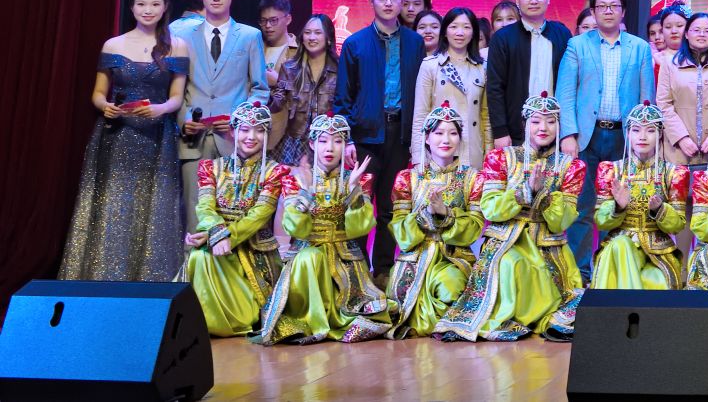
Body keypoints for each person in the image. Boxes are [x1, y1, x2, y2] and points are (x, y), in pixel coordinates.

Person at [61, 0, 190, 282]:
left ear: (165, 7)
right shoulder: (113, 44)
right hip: (117, 136)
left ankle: (149, 282)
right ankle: (105, 277)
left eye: (155, 4)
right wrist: (105, 106)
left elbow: (177, 97)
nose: (148, 10)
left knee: (154, 206)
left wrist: (160, 108)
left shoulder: (177, 46)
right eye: (141, 4)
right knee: (114, 204)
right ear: (132, 7)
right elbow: (97, 93)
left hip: (157, 136)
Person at [435, 91, 583, 342]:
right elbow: (491, 209)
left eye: (551, 121)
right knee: (510, 263)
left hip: (548, 243)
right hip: (506, 240)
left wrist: (543, 196)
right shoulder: (500, 158)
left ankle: (540, 317)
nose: (543, 127)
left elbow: (563, 220)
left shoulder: (570, 166)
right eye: (536, 121)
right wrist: (523, 192)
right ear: (525, 124)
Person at [254, 115, 392, 343]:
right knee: (310, 257)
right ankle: (312, 320)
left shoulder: (357, 178)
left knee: (372, 311)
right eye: (323, 140)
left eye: (337, 141)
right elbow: (296, 229)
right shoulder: (295, 180)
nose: (330, 148)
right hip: (306, 257)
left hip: (344, 260)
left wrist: (354, 190)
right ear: (312, 144)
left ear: (345, 145)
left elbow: (360, 228)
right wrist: (306, 193)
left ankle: (332, 316)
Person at [556, 0, 655, 277]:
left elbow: (646, 98)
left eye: (614, 6)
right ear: (593, 11)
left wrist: (643, 139)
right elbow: (565, 94)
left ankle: (615, 271)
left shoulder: (639, 47)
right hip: (586, 137)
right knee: (582, 207)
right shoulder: (577, 45)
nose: (608, 11)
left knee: (621, 204)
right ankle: (581, 274)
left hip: (625, 139)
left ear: (623, 11)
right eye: (602, 6)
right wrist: (568, 135)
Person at [336, 0, 427, 272]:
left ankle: (384, 271)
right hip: (365, 136)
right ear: (371, 1)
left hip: (400, 134)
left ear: (402, 1)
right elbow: (343, 97)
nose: (388, 3)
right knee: (360, 204)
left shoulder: (415, 42)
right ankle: (358, 271)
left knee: (391, 207)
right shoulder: (356, 43)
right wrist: (348, 138)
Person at [171, 0, 268, 230]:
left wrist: (241, 121)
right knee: (194, 215)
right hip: (193, 139)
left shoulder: (250, 36)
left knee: (233, 214)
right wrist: (183, 121)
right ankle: (192, 259)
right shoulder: (180, 35)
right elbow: (174, 86)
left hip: (233, 141)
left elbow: (260, 89)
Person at [181, 99, 287, 336]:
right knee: (199, 257)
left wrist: (227, 236)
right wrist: (214, 233)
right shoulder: (212, 167)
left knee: (206, 257)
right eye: (245, 129)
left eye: (259, 131)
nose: (251, 137)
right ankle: (205, 321)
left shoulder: (273, 171)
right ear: (233, 131)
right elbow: (205, 207)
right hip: (219, 242)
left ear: (267, 135)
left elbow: (258, 216)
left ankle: (237, 318)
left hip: (254, 248)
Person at [386, 101, 483, 338]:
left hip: (453, 257)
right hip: (415, 256)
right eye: (438, 133)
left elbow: (474, 228)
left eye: (452, 133)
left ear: (460, 138)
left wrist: (446, 214)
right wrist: (425, 216)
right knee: (395, 304)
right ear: (427, 138)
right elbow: (400, 231)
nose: (445, 140)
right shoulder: (408, 178)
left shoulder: (472, 178)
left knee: (451, 287)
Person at [590, 101, 691, 291]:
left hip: (658, 251)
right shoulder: (612, 170)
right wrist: (618, 207)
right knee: (620, 245)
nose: (642, 137)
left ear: (660, 134)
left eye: (650, 131)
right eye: (636, 130)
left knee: (657, 282)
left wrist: (660, 210)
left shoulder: (674, 173)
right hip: (620, 245)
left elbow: (677, 225)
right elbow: (601, 222)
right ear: (628, 133)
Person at [484, 0, 572, 151]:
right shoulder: (503, 38)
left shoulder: (562, 34)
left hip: (555, 130)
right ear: (517, 0)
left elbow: (570, 86)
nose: (533, 1)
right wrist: (500, 131)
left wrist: (568, 133)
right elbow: (495, 88)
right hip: (516, 132)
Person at [658, 10, 708, 180]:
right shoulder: (669, 64)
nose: (702, 34)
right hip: (677, 148)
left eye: (707, 30)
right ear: (686, 34)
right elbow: (664, 105)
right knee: (678, 192)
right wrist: (681, 138)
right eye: (696, 30)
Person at [411, 7, 489, 170]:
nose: (460, 32)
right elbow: (420, 115)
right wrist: (419, 157)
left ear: (473, 33)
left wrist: (489, 154)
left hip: (473, 149)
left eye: (466, 27)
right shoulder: (431, 66)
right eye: (454, 27)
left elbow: (486, 117)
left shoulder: (482, 68)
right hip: (440, 150)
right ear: (445, 32)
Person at [269, 12, 338, 166]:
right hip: (295, 143)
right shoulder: (289, 68)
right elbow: (277, 103)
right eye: (307, 32)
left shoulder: (340, 69)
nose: (311, 37)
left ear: (328, 38)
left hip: (327, 144)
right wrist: (266, 95)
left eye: (318, 33)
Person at [257, 0, 299, 76]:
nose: (268, 25)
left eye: (273, 20)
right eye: (263, 20)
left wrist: (277, 81)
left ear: (288, 19)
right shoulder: (256, 47)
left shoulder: (298, 50)